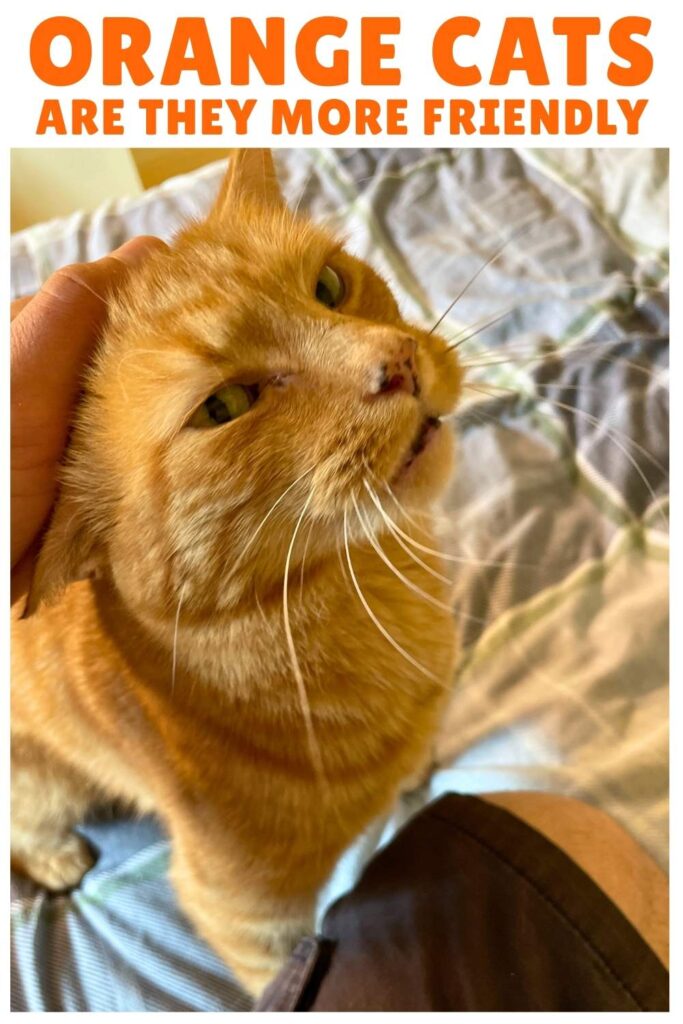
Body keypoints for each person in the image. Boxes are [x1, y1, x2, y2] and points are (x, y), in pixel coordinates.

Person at [10, 242, 669, 1012]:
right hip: (41, 743)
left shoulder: (371, 525)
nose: (381, 356)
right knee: (256, 909)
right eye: (226, 402)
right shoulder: (216, 730)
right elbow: (243, 915)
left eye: (328, 288)